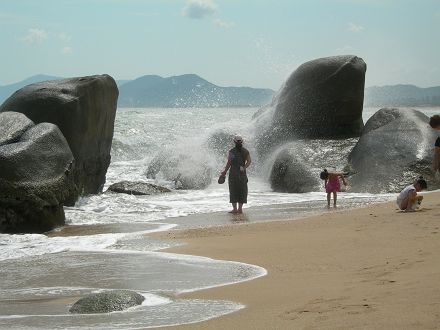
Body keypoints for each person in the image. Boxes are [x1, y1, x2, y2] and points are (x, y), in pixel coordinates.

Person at [220, 135, 251, 214]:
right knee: (242, 190)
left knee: (233, 190)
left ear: (234, 142)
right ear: (242, 142)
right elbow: (249, 161)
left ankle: (234, 209)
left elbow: (229, 163)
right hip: (242, 174)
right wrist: (244, 167)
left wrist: (224, 172)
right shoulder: (245, 151)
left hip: (233, 174)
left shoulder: (232, 151)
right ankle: (240, 209)